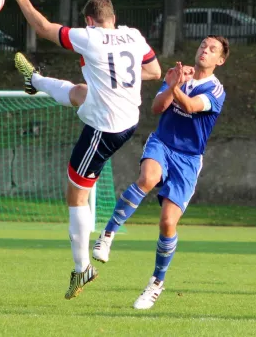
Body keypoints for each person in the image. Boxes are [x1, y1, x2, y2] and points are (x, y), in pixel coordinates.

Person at [11, 0, 161, 299]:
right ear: (113, 17)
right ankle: (34, 79)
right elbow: (155, 71)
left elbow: (44, 28)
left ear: (90, 21)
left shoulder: (89, 36)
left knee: (75, 195)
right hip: (128, 118)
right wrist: (119, 79)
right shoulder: (133, 35)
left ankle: (82, 269)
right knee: (81, 91)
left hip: (104, 128)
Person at [92, 36, 228, 309]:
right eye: (203, 45)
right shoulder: (181, 75)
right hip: (162, 143)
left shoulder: (216, 91)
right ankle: (107, 236)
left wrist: (173, 84)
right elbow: (157, 108)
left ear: (220, 60)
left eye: (212, 49)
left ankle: (156, 283)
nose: (205, 50)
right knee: (147, 178)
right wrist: (172, 84)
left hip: (188, 160)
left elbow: (190, 106)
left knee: (167, 223)